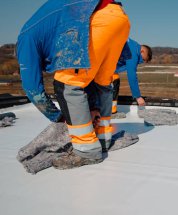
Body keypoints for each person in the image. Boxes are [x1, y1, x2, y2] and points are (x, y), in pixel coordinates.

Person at [17, 0, 131, 169]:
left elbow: (32, 88)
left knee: (67, 84)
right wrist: (93, 108)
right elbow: (90, 82)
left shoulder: (25, 40)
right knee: (102, 81)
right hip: (118, 17)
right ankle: (103, 139)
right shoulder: (43, 29)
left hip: (95, 19)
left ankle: (87, 151)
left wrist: (59, 117)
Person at [111, 39, 153, 115]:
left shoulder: (131, 45)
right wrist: (138, 97)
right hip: (101, 64)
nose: (141, 61)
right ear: (142, 51)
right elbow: (132, 75)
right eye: (143, 59)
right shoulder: (134, 52)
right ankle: (111, 111)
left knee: (113, 79)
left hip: (104, 63)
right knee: (114, 81)